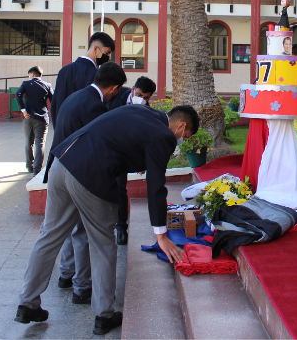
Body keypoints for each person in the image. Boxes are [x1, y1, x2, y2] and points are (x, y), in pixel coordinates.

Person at [15, 104, 198, 336]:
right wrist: (161, 235)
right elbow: (155, 185)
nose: (181, 140)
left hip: (63, 162)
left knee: (49, 236)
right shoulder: (164, 135)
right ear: (181, 125)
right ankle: (104, 315)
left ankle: (27, 304)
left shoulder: (143, 112)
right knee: (102, 244)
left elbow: (119, 141)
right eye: (185, 135)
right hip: (90, 175)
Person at [45, 62, 126, 305]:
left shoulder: (74, 97)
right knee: (81, 231)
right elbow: (100, 145)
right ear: (114, 87)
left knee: (65, 230)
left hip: (57, 167)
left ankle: (65, 275)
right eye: (117, 90)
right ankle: (82, 286)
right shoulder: (94, 106)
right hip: (78, 174)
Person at [107, 76, 157, 245]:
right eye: (140, 94)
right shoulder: (115, 95)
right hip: (105, 146)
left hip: (122, 154)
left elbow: (144, 136)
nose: (142, 99)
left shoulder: (146, 109)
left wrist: (141, 160)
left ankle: (121, 228)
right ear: (133, 89)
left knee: (120, 189)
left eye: (146, 98)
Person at [50, 32, 115, 128]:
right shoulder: (96, 75)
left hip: (61, 132)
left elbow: (54, 105)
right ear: (96, 48)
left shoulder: (64, 71)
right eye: (106, 53)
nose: (107, 57)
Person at [16, 67, 54, 174]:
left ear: (32, 74)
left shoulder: (26, 84)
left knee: (28, 142)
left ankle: (29, 165)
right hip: (42, 118)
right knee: (40, 143)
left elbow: (18, 94)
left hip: (28, 117)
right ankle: (37, 169)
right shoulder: (47, 85)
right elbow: (53, 101)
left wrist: (23, 110)